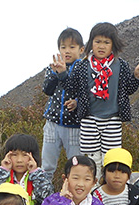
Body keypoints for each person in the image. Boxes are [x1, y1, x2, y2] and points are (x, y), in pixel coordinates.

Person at [61, 22, 139, 175]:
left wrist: (136, 76)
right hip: (89, 119)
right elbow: (71, 88)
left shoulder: (120, 65)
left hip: (112, 119)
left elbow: (128, 89)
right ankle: (93, 187)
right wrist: (62, 73)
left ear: (113, 45)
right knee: (90, 160)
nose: (101, 46)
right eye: (97, 41)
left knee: (112, 159)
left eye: (106, 42)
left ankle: (108, 187)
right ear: (91, 43)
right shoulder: (83, 65)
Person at [42, 27, 85, 180]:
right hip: (52, 122)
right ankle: (44, 192)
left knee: (75, 165)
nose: (67, 51)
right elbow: (47, 90)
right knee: (47, 166)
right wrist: (55, 73)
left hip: (74, 125)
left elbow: (86, 92)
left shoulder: (83, 68)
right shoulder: (53, 66)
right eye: (63, 47)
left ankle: (73, 193)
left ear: (81, 49)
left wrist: (77, 102)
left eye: (72, 47)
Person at [0, 133, 53, 205]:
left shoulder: (39, 175)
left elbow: (47, 198)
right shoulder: (3, 175)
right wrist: (3, 171)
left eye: (25, 155)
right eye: (14, 155)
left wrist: (35, 173)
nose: (19, 160)